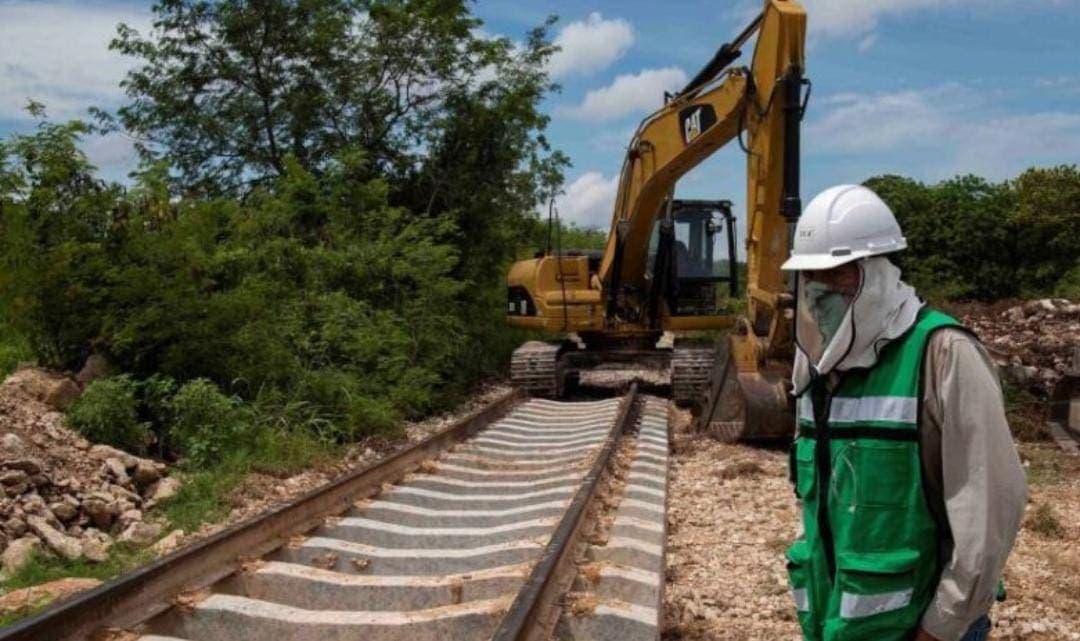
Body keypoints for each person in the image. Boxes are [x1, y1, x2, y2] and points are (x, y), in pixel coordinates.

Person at [779, 185, 1027, 641]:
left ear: (873, 274)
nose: (817, 291)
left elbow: (988, 511)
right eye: (809, 275)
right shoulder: (814, 364)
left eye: (835, 275)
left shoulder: (943, 354)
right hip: (839, 623)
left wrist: (943, 624)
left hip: (924, 629)